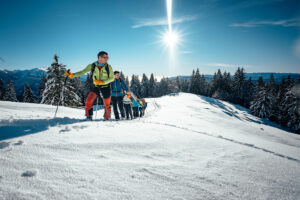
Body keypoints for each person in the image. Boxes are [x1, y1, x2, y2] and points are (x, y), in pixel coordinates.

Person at [65, 51, 114, 120]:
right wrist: (72, 75)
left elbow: (112, 78)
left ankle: (107, 117)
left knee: (107, 104)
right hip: (96, 87)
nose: (107, 59)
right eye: (105, 57)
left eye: (107, 58)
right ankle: (89, 116)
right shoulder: (92, 66)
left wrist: (103, 82)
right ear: (99, 57)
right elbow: (82, 72)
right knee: (88, 101)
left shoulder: (108, 67)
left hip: (105, 87)